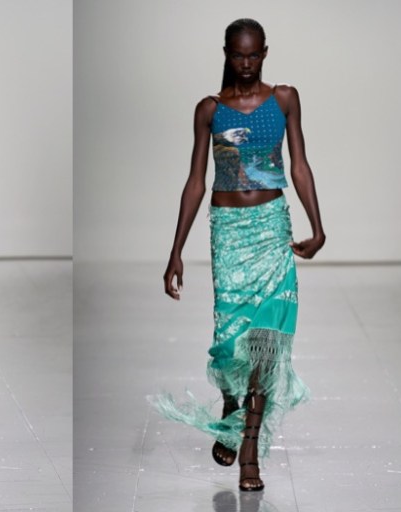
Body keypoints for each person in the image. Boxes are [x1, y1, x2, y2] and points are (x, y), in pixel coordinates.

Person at [154, 18, 325, 492]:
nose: (246, 63)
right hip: (228, 233)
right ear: (226, 54)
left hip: (271, 228)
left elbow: (299, 164)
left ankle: (249, 451)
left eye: (253, 55)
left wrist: (318, 226)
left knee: (265, 342)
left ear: (264, 53)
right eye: (237, 55)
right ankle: (231, 405)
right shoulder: (209, 110)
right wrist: (175, 250)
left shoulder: (284, 99)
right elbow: (196, 181)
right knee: (230, 344)